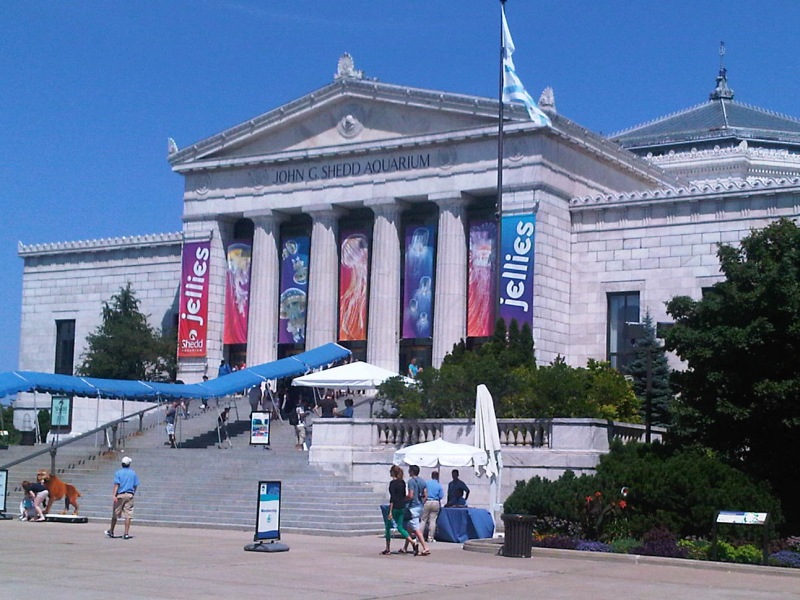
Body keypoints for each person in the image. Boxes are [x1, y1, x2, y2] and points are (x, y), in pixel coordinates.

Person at [382, 465, 418, 556]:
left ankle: (388, 548)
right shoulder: (402, 482)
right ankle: (413, 542)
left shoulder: (392, 483)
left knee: (388, 527)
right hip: (402, 507)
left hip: (394, 507)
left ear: (393, 473)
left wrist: (390, 511)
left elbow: (392, 498)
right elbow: (403, 495)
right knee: (400, 527)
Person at [105, 456, 140, 540]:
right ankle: (126, 533)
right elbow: (135, 485)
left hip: (120, 495)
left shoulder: (118, 473)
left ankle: (111, 531)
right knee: (128, 515)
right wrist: (132, 493)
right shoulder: (133, 473)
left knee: (115, 514)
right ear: (129, 464)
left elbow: (116, 485)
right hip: (129, 494)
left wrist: (114, 495)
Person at [401, 465, 431, 556]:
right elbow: (426, 495)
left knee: (415, 528)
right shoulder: (422, 481)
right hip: (420, 506)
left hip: (412, 507)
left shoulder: (411, 482)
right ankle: (405, 547)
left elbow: (410, 495)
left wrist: (403, 499)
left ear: (412, 472)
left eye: (409, 470)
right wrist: (422, 503)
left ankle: (425, 547)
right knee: (409, 528)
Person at [422, 470, 444, 542]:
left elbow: (423, 492)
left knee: (423, 520)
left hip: (427, 501)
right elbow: (441, 496)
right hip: (435, 502)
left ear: (431, 476)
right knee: (433, 520)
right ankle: (430, 538)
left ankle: (419, 537)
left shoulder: (427, 483)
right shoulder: (439, 485)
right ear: (437, 477)